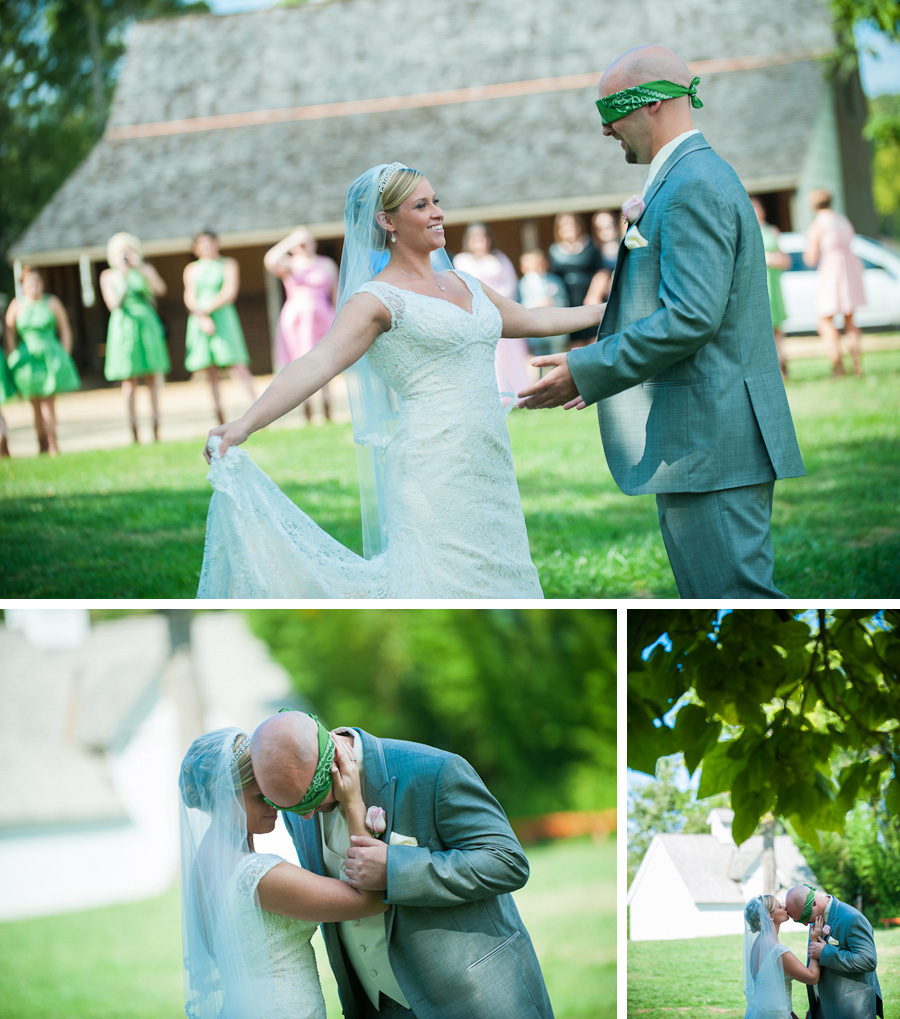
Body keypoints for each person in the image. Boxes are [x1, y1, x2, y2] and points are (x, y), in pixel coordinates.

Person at [198, 162, 604, 598]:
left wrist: (614, 308)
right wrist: (244, 424)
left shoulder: (464, 282)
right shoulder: (376, 299)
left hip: (491, 462)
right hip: (432, 469)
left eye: (437, 201)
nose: (438, 213)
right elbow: (315, 364)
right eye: (422, 205)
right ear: (387, 221)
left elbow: (534, 317)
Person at [518, 45, 805, 599]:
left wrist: (587, 367)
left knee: (734, 603)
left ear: (653, 104)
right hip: (702, 435)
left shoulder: (691, 184)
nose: (604, 130)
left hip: (712, 437)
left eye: (611, 111)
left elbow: (692, 317)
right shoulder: (687, 177)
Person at [250, 709, 554, 1019]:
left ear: (332, 759)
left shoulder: (435, 770)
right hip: (375, 1007)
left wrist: (395, 868)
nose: (306, 817)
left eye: (314, 801)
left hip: (472, 998)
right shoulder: (296, 795)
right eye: (292, 808)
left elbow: (507, 861)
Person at [179, 725, 388, 1019]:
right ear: (222, 796)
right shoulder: (257, 875)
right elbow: (370, 900)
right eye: (259, 796)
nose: (275, 803)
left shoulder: (205, 861)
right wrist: (353, 801)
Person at [100, 232, 170, 443]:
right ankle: (134, 428)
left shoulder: (145, 269)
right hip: (124, 327)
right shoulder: (109, 276)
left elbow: (160, 290)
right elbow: (113, 304)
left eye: (128, 250)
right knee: (129, 380)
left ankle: (157, 425)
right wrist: (123, 276)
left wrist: (140, 270)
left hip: (146, 324)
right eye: (121, 251)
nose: (125, 254)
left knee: (152, 377)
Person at [4, 266, 80, 455]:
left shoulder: (52, 303)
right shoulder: (17, 305)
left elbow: (65, 329)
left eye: (37, 282)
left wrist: (64, 354)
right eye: (30, 283)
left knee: (48, 402)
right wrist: (13, 355)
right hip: (27, 360)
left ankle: (53, 441)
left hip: (50, 356)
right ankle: (41, 443)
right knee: (35, 404)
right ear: (23, 285)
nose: (34, 286)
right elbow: (9, 332)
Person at [264, 227, 338, 421]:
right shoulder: (289, 264)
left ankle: (327, 405)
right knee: (300, 361)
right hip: (297, 319)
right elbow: (269, 260)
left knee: (323, 360)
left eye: (308, 241)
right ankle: (306, 408)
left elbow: (335, 293)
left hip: (321, 315)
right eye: (300, 243)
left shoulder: (326, 264)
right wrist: (290, 240)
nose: (304, 246)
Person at [452, 222, 533, 398]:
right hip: (478, 315)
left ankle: (518, 390)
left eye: (483, 237)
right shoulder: (462, 260)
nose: (480, 242)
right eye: (476, 238)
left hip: (502, 311)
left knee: (509, 354)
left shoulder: (499, 258)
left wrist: (500, 300)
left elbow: (511, 282)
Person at [184, 229, 255, 425]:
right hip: (200, 319)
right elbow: (189, 295)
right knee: (210, 371)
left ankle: (254, 410)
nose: (206, 246)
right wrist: (200, 317)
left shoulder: (228, 264)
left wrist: (205, 311)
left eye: (209, 242)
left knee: (236, 364)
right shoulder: (191, 269)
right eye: (201, 243)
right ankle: (219, 415)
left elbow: (228, 292)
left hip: (222, 316)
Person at [785, 884, 884, 1019]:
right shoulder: (814, 917)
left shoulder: (852, 918)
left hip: (851, 1008)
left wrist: (825, 951)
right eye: (800, 921)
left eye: (805, 918)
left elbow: (868, 960)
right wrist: (815, 1005)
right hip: (824, 1007)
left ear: (813, 903)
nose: (806, 924)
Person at [804, 189, 867, 377]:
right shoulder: (842, 220)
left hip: (831, 272)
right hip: (850, 270)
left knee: (824, 320)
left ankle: (838, 365)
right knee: (850, 320)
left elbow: (811, 257)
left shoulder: (818, 224)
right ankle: (857, 366)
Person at [743, 894, 822, 1019]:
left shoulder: (757, 945)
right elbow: (812, 977)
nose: (785, 908)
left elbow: (769, 990)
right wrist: (815, 942)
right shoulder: (778, 951)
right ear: (770, 916)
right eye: (780, 907)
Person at [548, 212, 605, 346]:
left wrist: (593, 295)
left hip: (589, 301)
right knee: (576, 345)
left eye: (571, 226)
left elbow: (601, 271)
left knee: (594, 342)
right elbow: (552, 277)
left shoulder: (591, 245)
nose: (569, 230)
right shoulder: (554, 251)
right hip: (569, 304)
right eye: (564, 227)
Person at [751, 197, 791, 380]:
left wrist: (776, 259)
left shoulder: (772, 231)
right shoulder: (748, 232)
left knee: (777, 328)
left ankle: (783, 363)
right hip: (759, 284)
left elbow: (786, 260)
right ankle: (775, 368)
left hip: (774, 283)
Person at [518, 249, 570, 355]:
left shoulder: (555, 281)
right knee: (539, 356)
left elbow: (565, 301)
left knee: (557, 353)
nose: (539, 268)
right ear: (524, 268)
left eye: (541, 264)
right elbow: (520, 305)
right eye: (534, 265)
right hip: (535, 330)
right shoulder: (523, 285)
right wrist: (535, 304)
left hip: (556, 329)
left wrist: (554, 302)